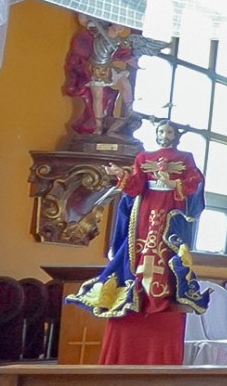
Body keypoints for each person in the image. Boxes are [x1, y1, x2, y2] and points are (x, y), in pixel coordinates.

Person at [68, 119, 207, 364]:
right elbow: (135, 187)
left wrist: (173, 183)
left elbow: (194, 182)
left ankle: (162, 293)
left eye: (169, 131)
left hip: (170, 207)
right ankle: (138, 291)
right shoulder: (144, 157)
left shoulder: (185, 158)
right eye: (161, 130)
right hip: (147, 206)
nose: (165, 134)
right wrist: (121, 175)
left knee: (165, 249)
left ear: (175, 135)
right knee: (142, 247)